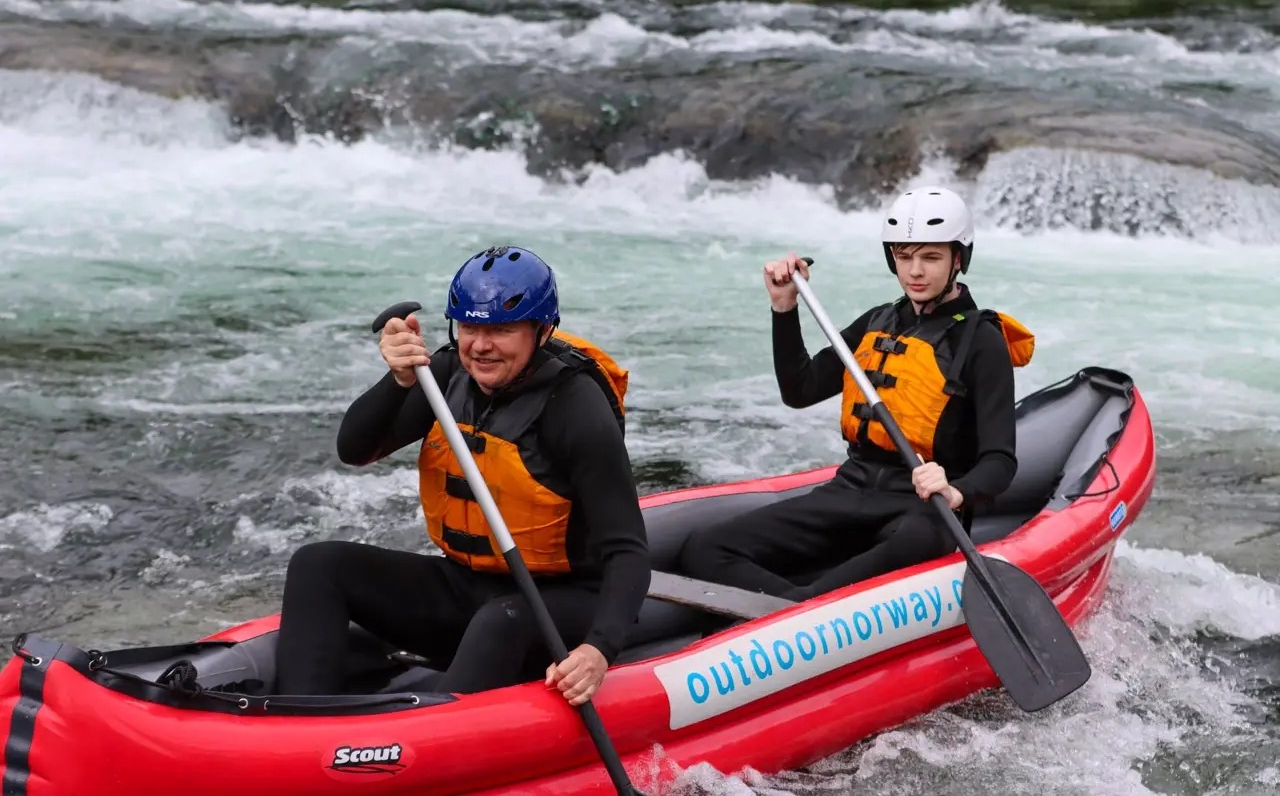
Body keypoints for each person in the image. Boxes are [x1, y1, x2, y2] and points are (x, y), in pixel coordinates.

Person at [274, 245, 650, 706]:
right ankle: (297, 718)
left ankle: (425, 735)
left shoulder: (575, 407)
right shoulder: (448, 374)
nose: (480, 346)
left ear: (541, 330)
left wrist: (598, 650)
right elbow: (354, 450)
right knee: (319, 565)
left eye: (501, 330)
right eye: (470, 327)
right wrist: (399, 381)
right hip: (467, 589)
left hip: (559, 603)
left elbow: (628, 550)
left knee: (500, 620)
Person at [679, 186, 1035, 601]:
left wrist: (956, 490)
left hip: (921, 509)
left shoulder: (981, 341)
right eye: (904, 256)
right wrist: (784, 308)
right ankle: (799, 606)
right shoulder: (878, 322)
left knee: (918, 539)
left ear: (958, 259)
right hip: (850, 491)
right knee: (703, 549)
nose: (915, 271)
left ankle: (798, 606)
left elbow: (1000, 461)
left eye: (930, 257)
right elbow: (800, 389)